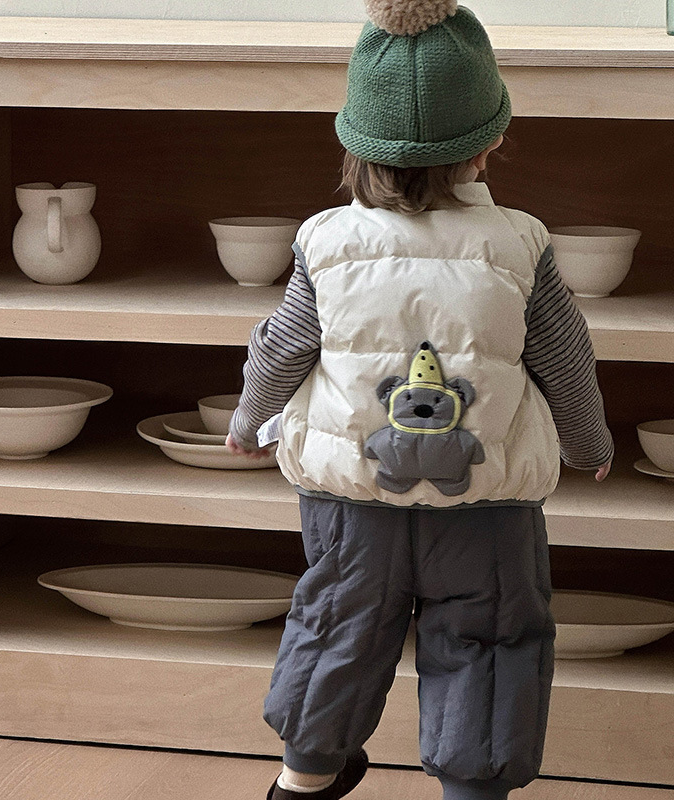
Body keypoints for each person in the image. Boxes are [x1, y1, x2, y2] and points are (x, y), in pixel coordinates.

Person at [226, 2, 614, 799]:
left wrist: (247, 420)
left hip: (351, 505)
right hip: (486, 510)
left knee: (337, 628)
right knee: (489, 643)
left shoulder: (326, 242)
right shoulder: (519, 244)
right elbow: (566, 361)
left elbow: (281, 347)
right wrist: (589, 444)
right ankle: (472, 788)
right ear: (491, 141)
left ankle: (303, 780)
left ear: (353, 143)